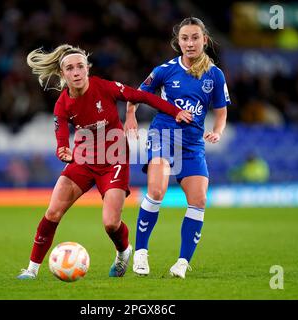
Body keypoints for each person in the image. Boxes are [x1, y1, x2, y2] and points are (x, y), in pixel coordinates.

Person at [17, 44, 192, 279]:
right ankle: (31, 270)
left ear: (87, 69)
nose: (76, 72)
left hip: (114, 160)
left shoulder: (104, 87)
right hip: (83, 160)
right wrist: (63, 151)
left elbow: (141, 96)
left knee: (110, 223)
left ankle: (123, 252)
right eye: (70, 68)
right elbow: (60, 138)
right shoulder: (63, 104)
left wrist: (174, 111)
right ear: (62, 74)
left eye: (80, 66)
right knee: (53, 213)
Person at [125, 17, 230, 278]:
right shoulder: (164, 70)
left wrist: (217, 132)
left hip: (193, 144)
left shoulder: (215, 75)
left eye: (195, 38)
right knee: (157, 190)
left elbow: (221, 112)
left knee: (199, 201)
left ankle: (182, 262)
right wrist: (130, 115)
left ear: (204, 40)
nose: (190, 43)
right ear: (178, 42)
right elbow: (135, 95)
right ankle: (141, 253)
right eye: (185, 38)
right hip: (163, 135)